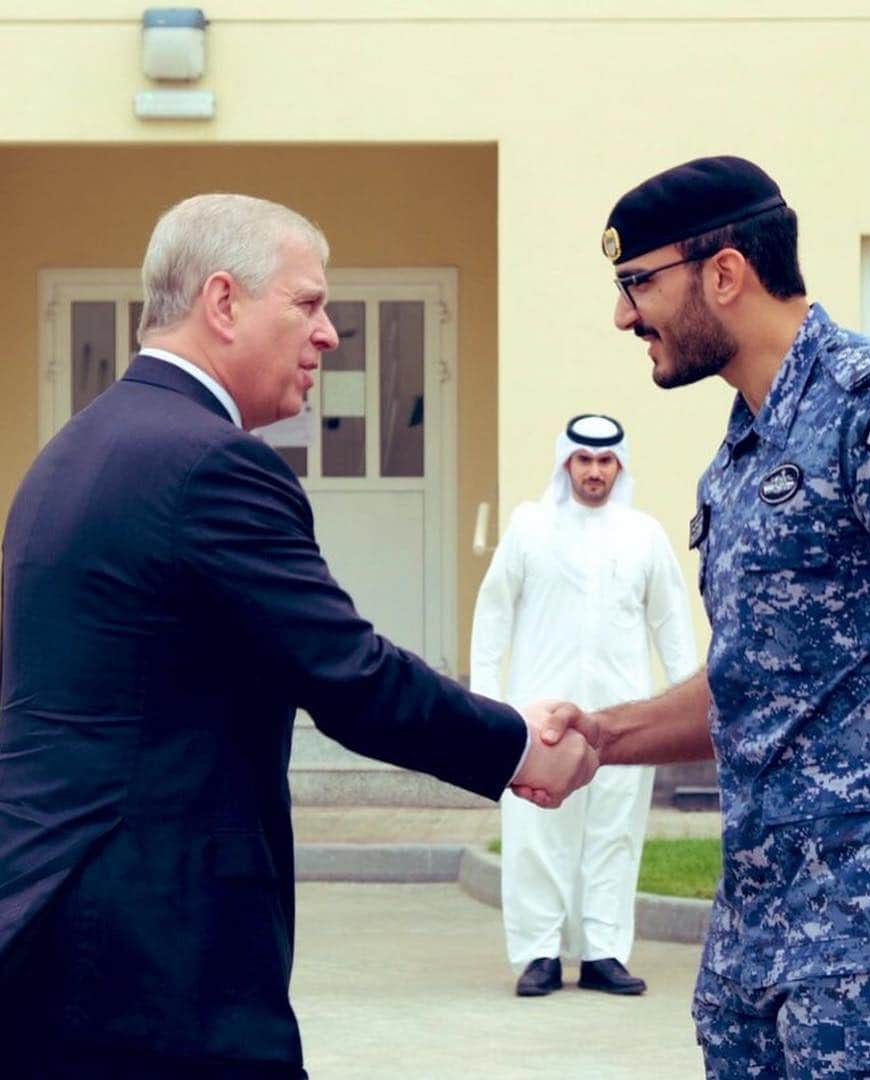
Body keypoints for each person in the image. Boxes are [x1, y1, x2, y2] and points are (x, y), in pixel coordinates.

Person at [0, 193, 598, 1079]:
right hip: (152, 958)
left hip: (51, 928)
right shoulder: (212, 464)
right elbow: (348, 674)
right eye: (308, 303)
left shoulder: (73, 452)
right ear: (223, 302)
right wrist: (515, 745)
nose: (330, 335)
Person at [550, 156, 870, 1076]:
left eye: (637, 284)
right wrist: (605, 734)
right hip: (767, 940)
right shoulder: (743, 453)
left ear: (723, 272)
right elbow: (763, 680)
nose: (626, 315)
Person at [470, 414, 698, 997]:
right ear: (565, 463)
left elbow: (670, 623)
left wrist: (690, 713)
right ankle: (539, 953)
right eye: (583, 460)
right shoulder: (529, 526)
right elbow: (494, 613)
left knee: (615, 833)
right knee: (536, 833)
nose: (594, 471)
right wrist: (487, 703)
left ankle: (602, 953)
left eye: (605, 461)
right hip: (539, 714)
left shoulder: (643, 533)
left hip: (626, 720)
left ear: (619, 466)